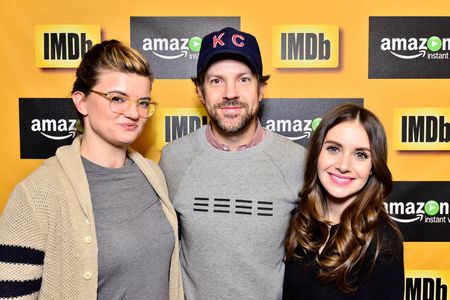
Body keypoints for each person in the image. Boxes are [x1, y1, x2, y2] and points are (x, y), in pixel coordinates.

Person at [0, 40, 183, 299]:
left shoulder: (154, 176)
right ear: (82, 102)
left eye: (143, 102)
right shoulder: (37, 194)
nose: (134, 113)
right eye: (117, 99)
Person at [159, 27, 306, 300]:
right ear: (200, 92)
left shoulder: (297, 161)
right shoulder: (173, 159)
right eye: (216, 81)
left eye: (243, 79)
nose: (230, 93)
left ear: (261, 89)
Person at [283, 104, 404, 299]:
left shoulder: (382, 244)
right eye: (333, 149)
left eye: (360, 154)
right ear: (317, 154)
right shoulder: (297, 221)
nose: (343, 165)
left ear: (373, 167)